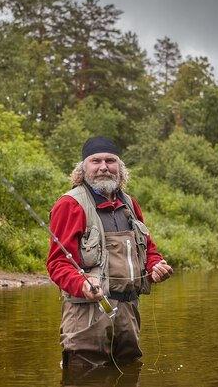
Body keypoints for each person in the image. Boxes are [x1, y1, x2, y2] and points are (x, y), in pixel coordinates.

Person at [47, 136, 173, 370]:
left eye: (110, 160)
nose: (103, 166)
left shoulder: (130, 204)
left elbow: (149, 250)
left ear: (120, 168)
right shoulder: (70, 205)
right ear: (83, 168)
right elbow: (57, 264)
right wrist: (81, 283)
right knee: (84, 377)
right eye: (96, 161)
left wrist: (155, 266)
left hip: (129, 311)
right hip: (86, 314)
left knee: (129, 371)